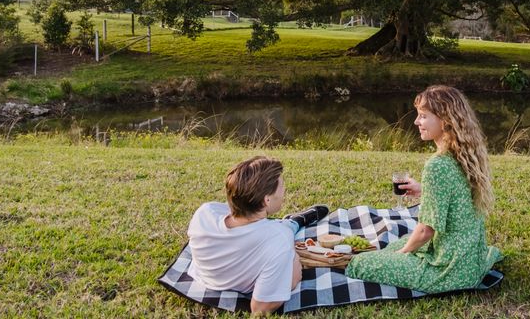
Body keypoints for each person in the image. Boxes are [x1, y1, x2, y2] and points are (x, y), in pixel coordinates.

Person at [345, 85, 503, 292]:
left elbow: (425, 231)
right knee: (396, 244)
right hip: (472, 261)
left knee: (360, 262)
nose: (416, 122)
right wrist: (424, 190)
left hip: (450, 271)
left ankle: (396, 258)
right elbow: (458, 196)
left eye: (423, 116)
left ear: (445, 120)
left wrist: (402, 255)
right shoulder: (465, 154)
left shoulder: (437, 165)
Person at [187, 155, 327, 315]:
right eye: (282, 186)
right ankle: (295, 221)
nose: (284, 190)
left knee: (280, 229)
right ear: (267, 200)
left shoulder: (205, 213)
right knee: (287, 229)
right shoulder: (279, 238)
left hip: (206, 276)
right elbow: (260, 309)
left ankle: (294, 221)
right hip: (259, 258)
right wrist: (294, 271)